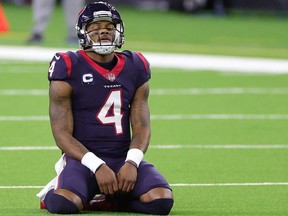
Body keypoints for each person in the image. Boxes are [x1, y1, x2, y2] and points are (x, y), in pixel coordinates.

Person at [36, 1, 174, 215]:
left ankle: (112, 201)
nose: (103, 33)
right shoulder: (68, 65)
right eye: (95, 28)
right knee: (64, 205)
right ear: (83, 33)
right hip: (82, 160)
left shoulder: (136, 65)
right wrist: (97, 166)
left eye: (109, 28)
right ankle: (55, 191)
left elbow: (141, 126)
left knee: (161, 201)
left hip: (122, 157)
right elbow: (61, 134)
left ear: (118, 31)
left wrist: (132, 162)